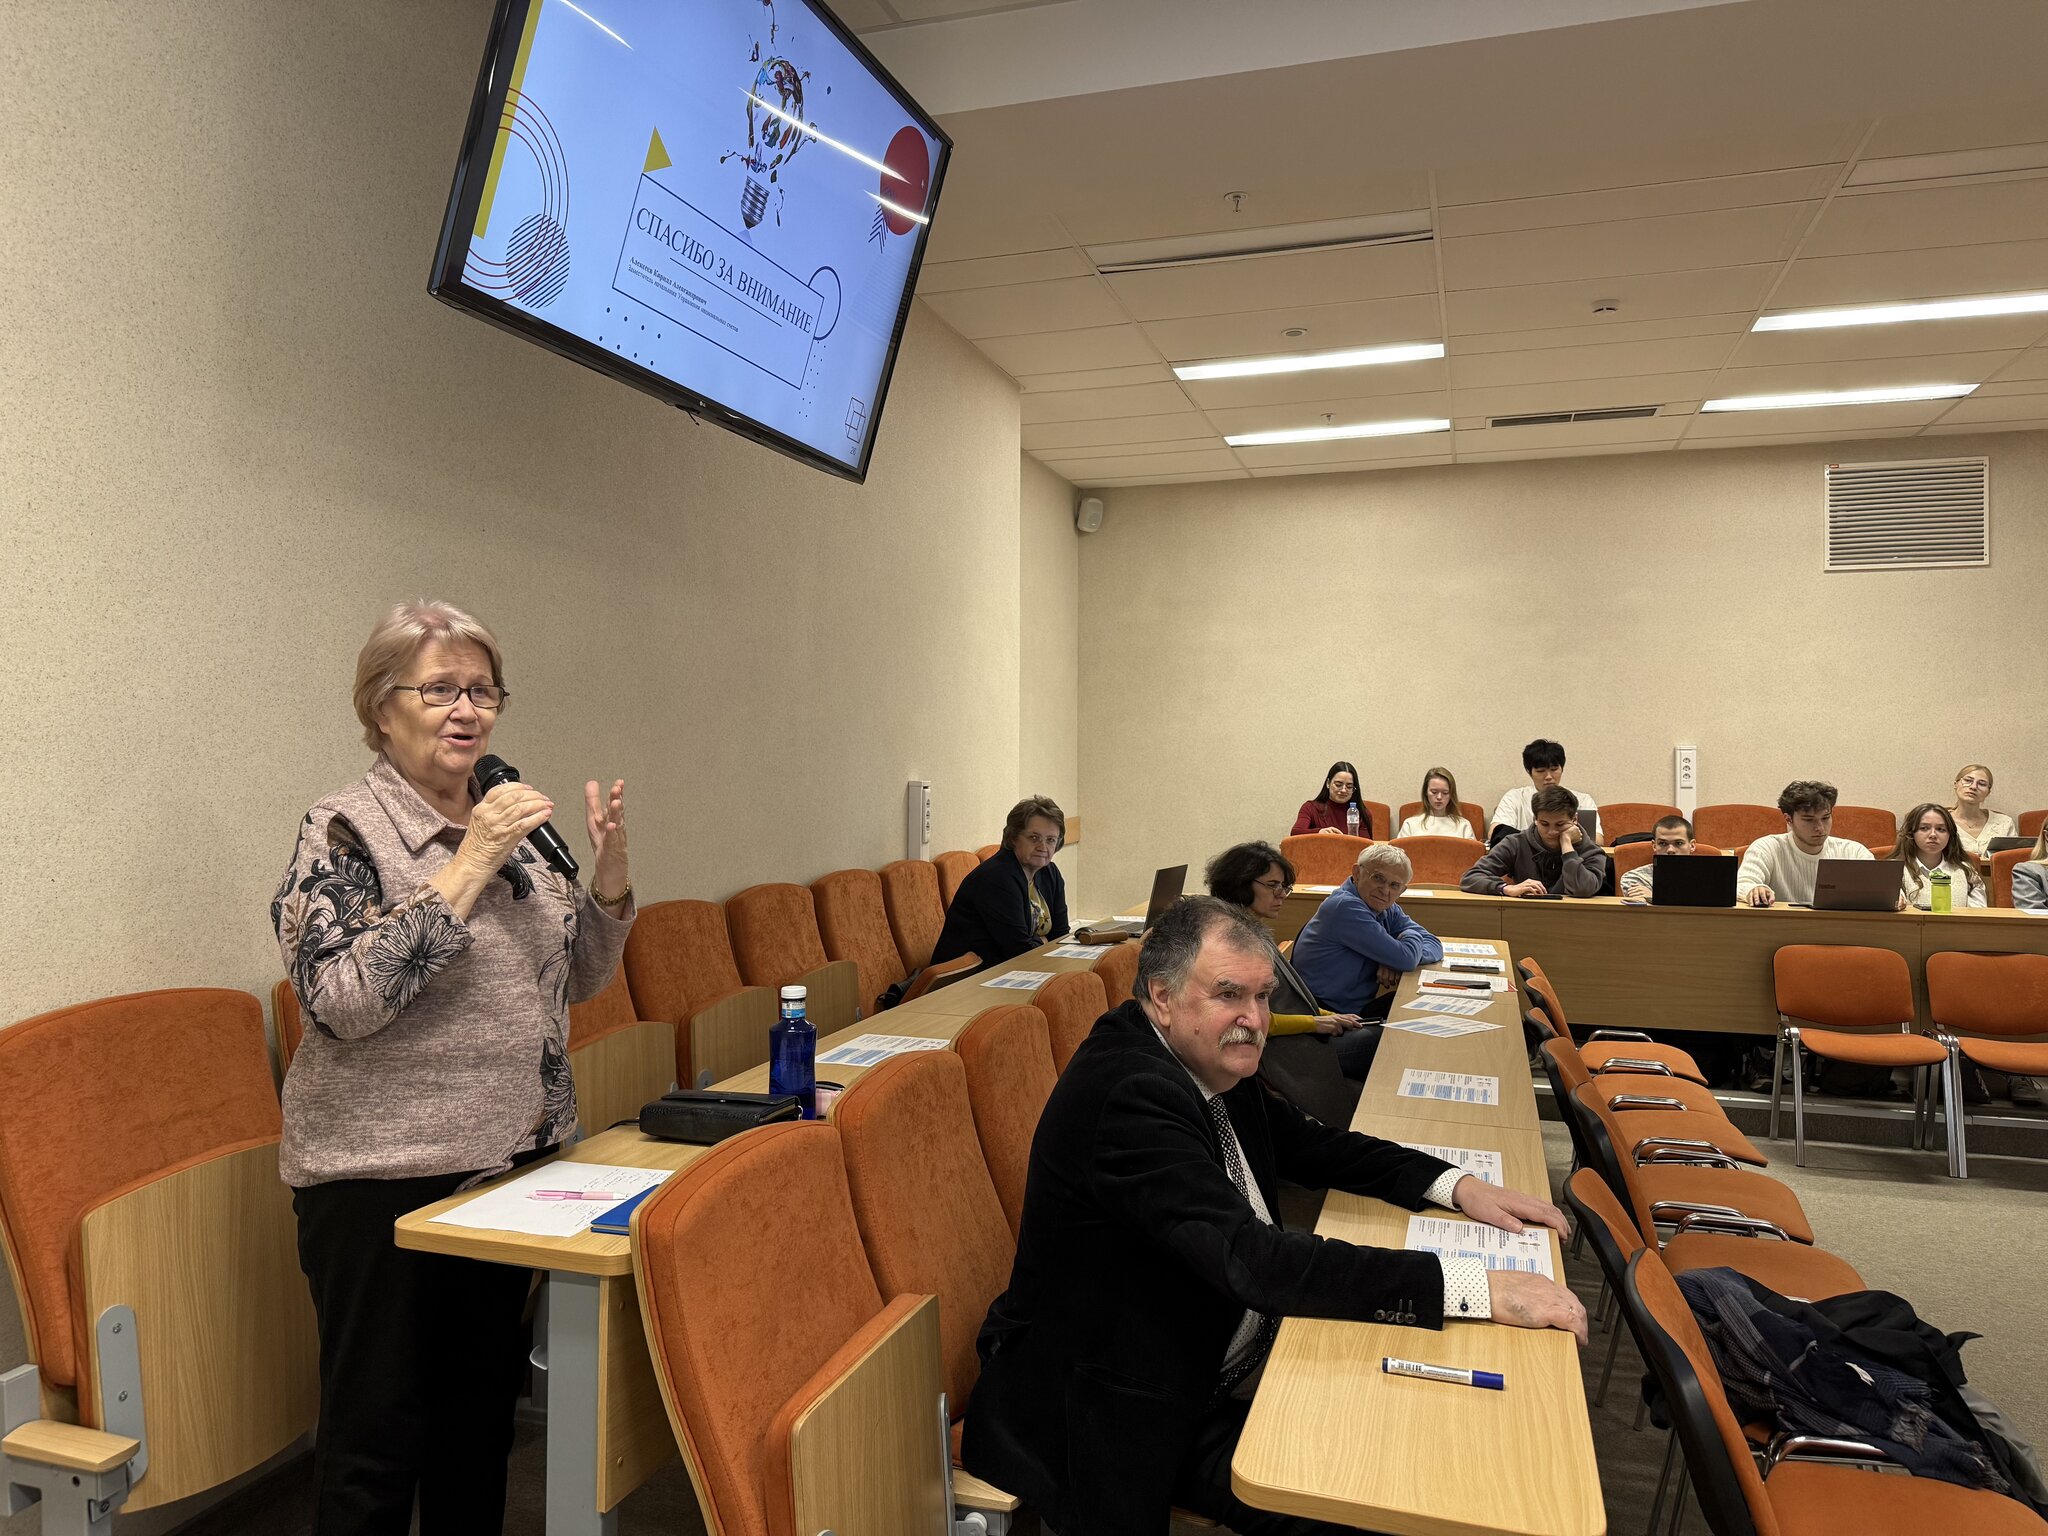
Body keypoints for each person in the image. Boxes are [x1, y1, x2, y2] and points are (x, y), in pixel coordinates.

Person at [961, 897, 1585, 1536]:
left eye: (1263, 996)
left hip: (1227, 1346)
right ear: (1163, 996)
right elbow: (1253, 1260)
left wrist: (1453, 1184)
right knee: (1371, 1504)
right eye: (1229, 995)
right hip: (1129, 1402)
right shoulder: (1130, 1094)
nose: (1255, 1020)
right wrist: (1475, 1286)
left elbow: (1313, 1145)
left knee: (1426, 1442)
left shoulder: (1199, 1055)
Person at [273, 600, 634, 1535]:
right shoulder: (344, 829)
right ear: (381, 707)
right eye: (439, 689)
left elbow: (577, 980)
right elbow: (343, 999)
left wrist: (609, 885)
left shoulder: (510, 821)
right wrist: (470, 861)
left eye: (483, 690)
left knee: (477, 1430)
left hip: (507, 1169)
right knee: (377, 1442)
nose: (466, 710)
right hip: (379, 1179)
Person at [1204, 841, 1366, 1126]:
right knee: (1374, 1045)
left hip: (1294, 1036)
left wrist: (1327, 1015)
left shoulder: (1250, 928)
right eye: (1272, 886)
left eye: (1284, 887)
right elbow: (1253, 1019)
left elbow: (1295, 998)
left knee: (1372, 1039)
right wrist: (1316, 1023)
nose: (1281, 895)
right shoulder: (1231, 939)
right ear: (1241, 883)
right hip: (1273, 1049)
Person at [1291, 845, 1445, 1076]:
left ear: (1402, 890)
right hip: (1322, 1024)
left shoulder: (1384, 907)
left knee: (1421, 1005)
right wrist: (1402, 943)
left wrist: (1392, 955)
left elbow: (1434, 944)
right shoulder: (1345, 906)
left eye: (1394, 885)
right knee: (1405, 1036)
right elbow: (1406, 958)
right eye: (1378, 878)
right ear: (1356, 872)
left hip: (1352, 1012)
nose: (1385, 890)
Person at [931, 795, 1069, 973]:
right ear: (1013, 838)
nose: (1043, 847)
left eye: (1050, 840)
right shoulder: (997, 877)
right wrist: (1044, 941)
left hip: (1015, 970)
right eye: (1034, 838)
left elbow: (1061, 936)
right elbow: (1019, 951)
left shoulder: (1050, 873)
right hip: (968, 977)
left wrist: (1042, 942)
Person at [1736, 780, 1875, 907]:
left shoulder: (1853, 851)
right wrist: (1754, 889)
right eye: (1809, 820)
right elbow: (1742, 883)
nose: (1820, 828)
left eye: (1825, 818)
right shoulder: (1766, 848)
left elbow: (1880, 890)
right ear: (1788, 819)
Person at [1462, 786, 1609, 898]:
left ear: (1574, 819)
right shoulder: (1515, 843)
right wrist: (1505, 888)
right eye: (1544, 824)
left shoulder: (1591, 851)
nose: (1551, 832)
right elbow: (1470, 878)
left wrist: (1567, 846)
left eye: (1560, 824)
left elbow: (1582, 889)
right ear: (1535, 819)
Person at [1489, 739, 1599, 843]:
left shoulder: (1583, 799)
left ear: (1562, 768)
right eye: (1541, 771)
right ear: (1529, 772)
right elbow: (1496, 833)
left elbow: (1597, 839)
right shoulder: (1514, 797)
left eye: (1554, 769)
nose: (1548, 777)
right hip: (1524, 855)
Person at [1892, 803, 1987, 911]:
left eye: (1941, 829)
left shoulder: (1967, 871)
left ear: (1950, 835)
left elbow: (1979, 915)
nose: (1933, 834)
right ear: (1911, 833)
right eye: (1924, 828)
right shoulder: (1894, 871)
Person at [1620, 814, 1698, 903]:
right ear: (1654, 846)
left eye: (1678, 843)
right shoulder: (1635, 877)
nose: (1670, 850)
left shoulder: (1708, 876)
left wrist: (1654, 896)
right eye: (1663, 843)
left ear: (1692, 845)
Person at [1948, 763, 2018, 859]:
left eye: (1982, 784)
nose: (1973, 787)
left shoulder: (2004, 823)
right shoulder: (1940, 821)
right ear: (1956, 784)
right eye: (1968, 780)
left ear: (1988, 792)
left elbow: (2012, 859)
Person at [1291, 760, 1368, 837]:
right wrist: (1319, 832)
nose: (1343, 790)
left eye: (1349, 786)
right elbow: (1295, 833)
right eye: (1338, 785)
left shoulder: (1361, 812)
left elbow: (1366, 842)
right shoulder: (1310, 808)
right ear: (1328, 783)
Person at [1395, 766, 1476, 838]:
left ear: (1451, 794)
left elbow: (1473, 850)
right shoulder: (1410, 824)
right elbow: (1398, 850)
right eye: (1434, 792)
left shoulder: (1463, 825)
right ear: (1426, 792)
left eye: (1445, 793)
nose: (1439, 797)